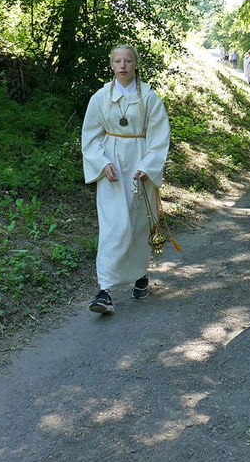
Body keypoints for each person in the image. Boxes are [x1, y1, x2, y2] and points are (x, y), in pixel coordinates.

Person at [81, 44, 171, 314]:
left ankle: (140, 276)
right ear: (111, 65)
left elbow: (159, 136)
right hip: (112, 169)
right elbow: (91, 136)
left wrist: (148, 166)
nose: (122, 66)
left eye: (128, 61)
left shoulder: (151, 99)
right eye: (118, 61)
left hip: (140, 166)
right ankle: (104, 290)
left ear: (135, 65)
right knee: (112, 226)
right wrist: (102, 162)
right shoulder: (100, 98)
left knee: (139, 223)